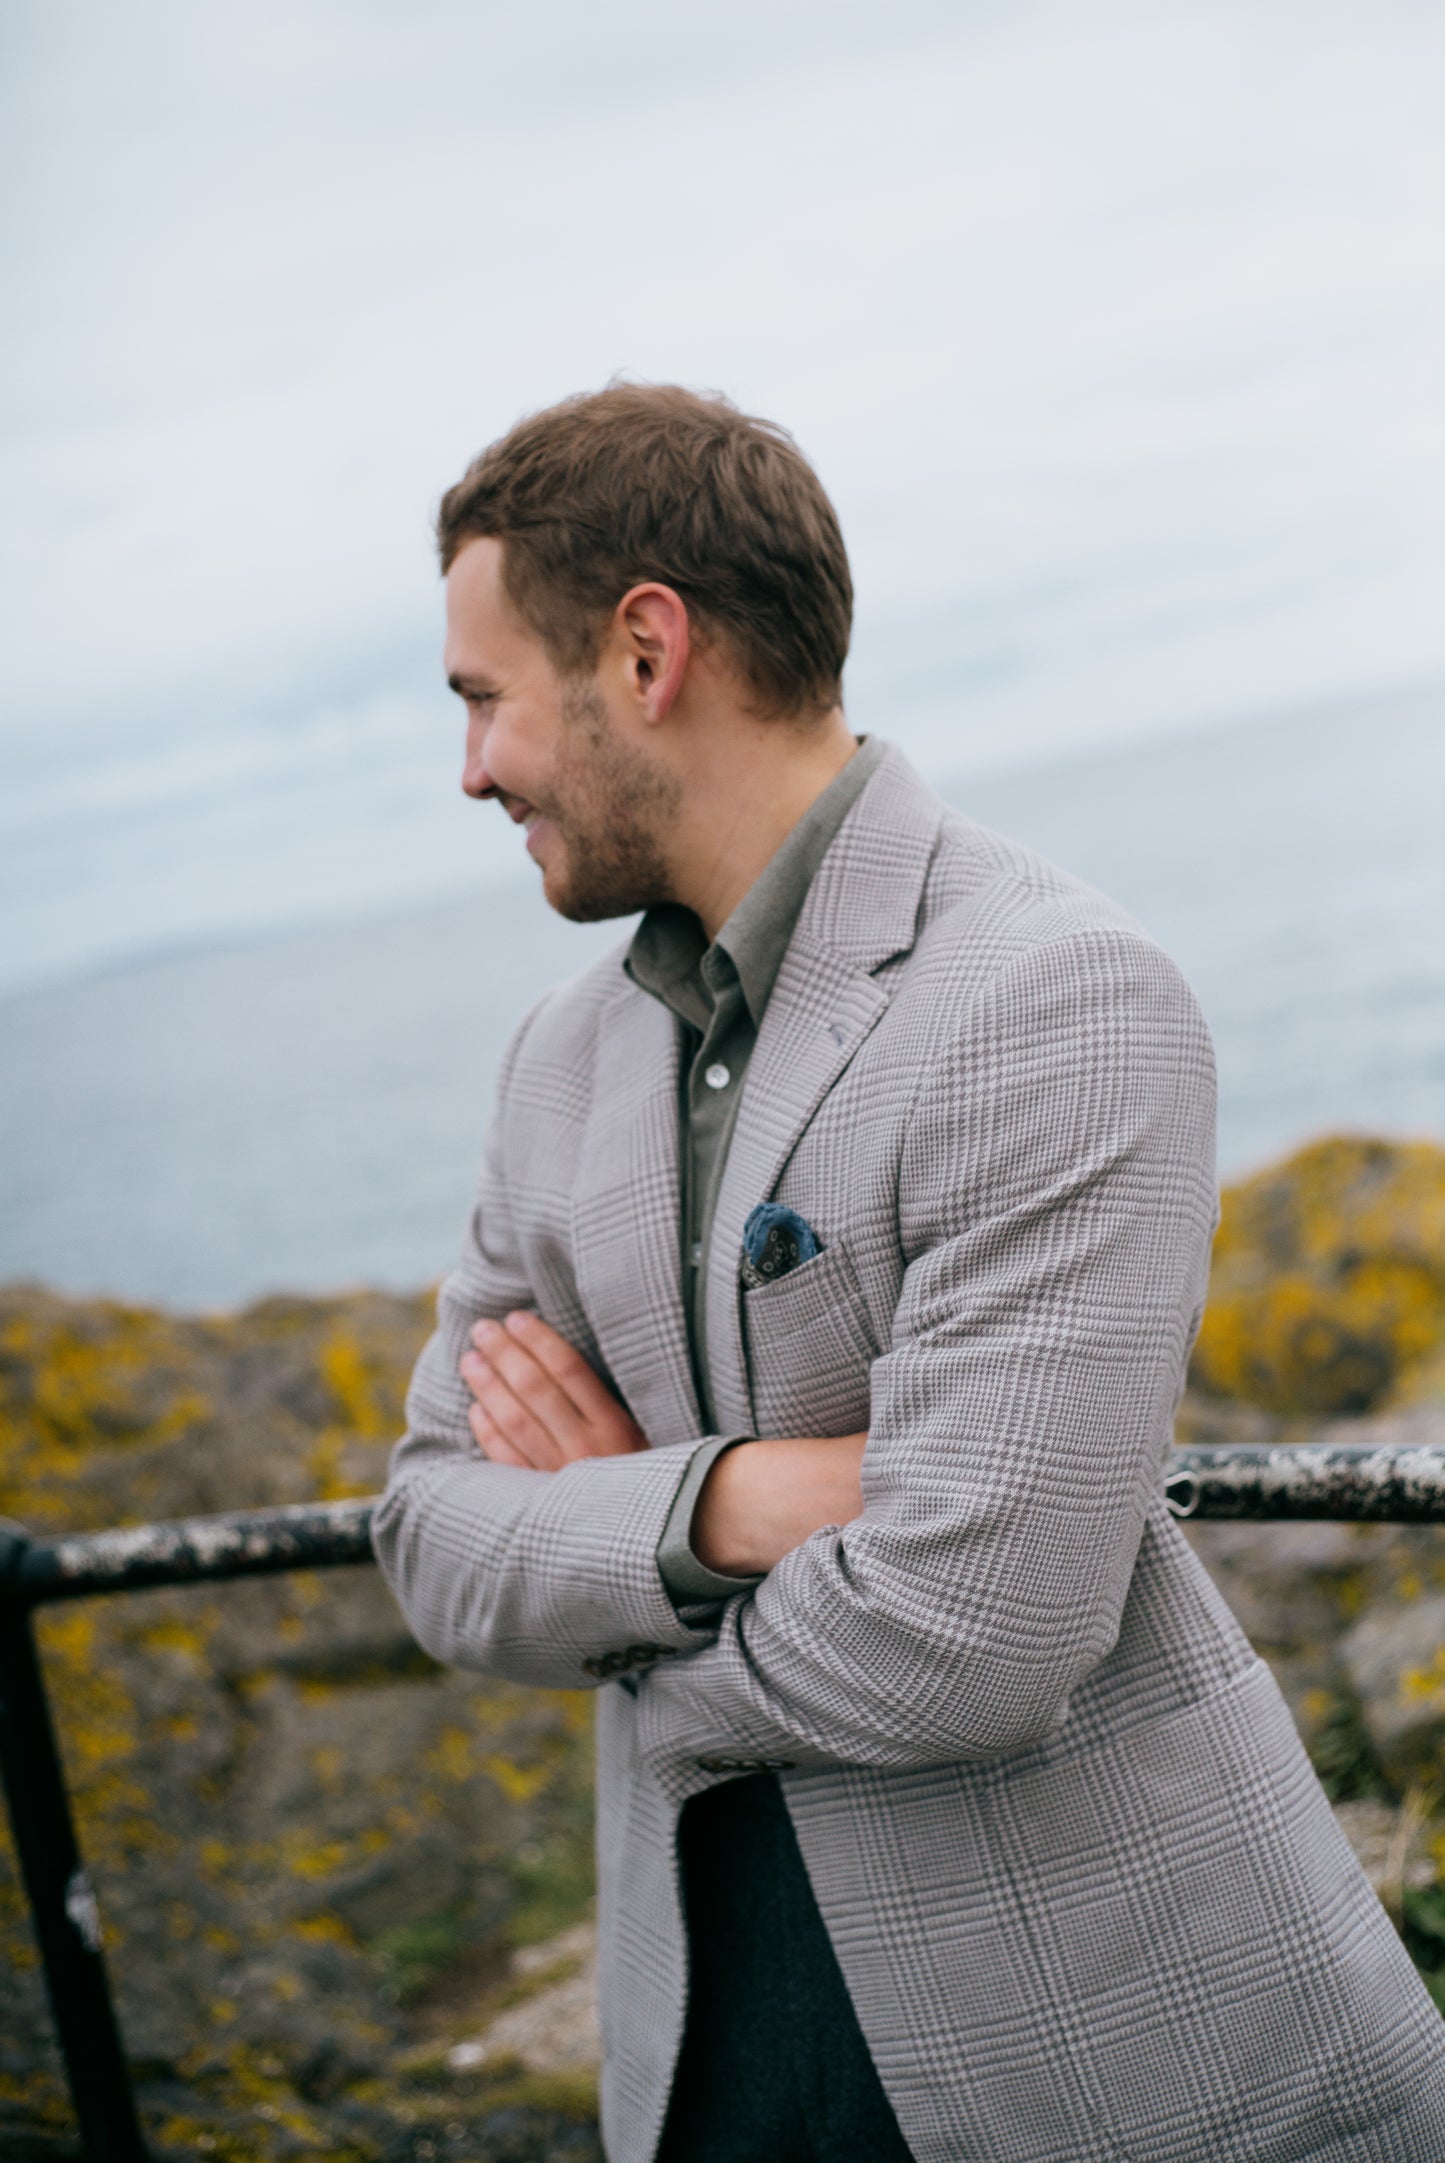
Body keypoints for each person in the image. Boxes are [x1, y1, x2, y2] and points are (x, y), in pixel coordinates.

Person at [372, 383, 1445, 2163]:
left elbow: (975, 1634)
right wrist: (725, 1508)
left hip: (1112, 2068)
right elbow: (427, 1537)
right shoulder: (552, 1065)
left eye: (483, 699)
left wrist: (627, 1616)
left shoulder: (1054, 995)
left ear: (646, 651)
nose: (470, 767)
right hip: (702, 2070)